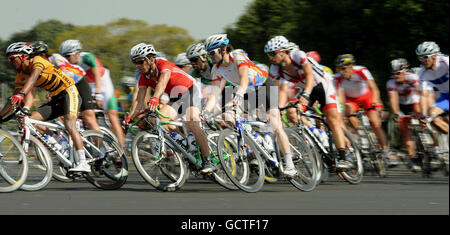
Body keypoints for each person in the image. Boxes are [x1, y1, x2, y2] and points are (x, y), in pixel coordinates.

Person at [124, 43, 216, 173]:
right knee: (156, 119)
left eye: (140, 61)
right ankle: (187, 146)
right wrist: (129, 117)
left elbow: (163, 81)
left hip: (190, 90)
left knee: (192, 122)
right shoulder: (144, 77)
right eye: (135, 63)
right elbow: (139, 100)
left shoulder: (163, 64)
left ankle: (209, 160)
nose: (138, 66)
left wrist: (155, 98)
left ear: (151, 59)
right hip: (176, 97)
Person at [264, 36, 352, 171]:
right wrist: (276, 108)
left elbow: (310, 76)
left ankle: (343, 158)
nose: (270, 58)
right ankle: (315, 141)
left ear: (282, 52)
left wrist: (305, 95)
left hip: (322, 86)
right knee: (292, 113)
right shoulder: (275, 68)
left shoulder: (298, 56)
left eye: (272, 54)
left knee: (332, 120)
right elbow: (277, 89)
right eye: (268, 55)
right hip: (306, 89)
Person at [5, 42, 90, 172]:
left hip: (68, 91)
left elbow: (33, 78)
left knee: (69, 124)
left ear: (23, 56)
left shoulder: (37, 61)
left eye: (12, 58)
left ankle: (84, 163)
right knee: (32, 120)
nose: (10, 62)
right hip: (56, 98)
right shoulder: (20, 76)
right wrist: (1, 115)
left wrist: (22, 94)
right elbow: (13, 98)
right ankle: (61, 144)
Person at [334, 54, 393, 165]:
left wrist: (375, 102)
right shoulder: (338, 78)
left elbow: (374, 88)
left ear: (351, 66)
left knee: (375, 123)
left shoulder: (362, 70)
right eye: (339, 69)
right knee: (347, 111)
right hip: (351, 100)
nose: (341, 72)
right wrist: (341, 113)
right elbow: (341, 98)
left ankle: (386, 151)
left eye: (343, 68)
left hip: (366, 97)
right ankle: (361, 136)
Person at [387, 58, 420, 167]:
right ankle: (412, 157)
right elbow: (393, 100)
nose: (396, 76)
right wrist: (397, 114)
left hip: (414, 102)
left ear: (405, 70)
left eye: (398, 73)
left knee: (419, 111)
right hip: (402, 106)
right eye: (394, 73)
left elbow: (421, 93)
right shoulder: (391, 82)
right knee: (405, 130)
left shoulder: (413, 77)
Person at [416, 41, 449, 134]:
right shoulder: (422, 73)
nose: (422, 61)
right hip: (445, 97)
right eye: (420, 58)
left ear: (434, 55)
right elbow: (423, 96)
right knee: (432, 116)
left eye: (425, 57)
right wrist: (424, 116)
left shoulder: (445, 61)